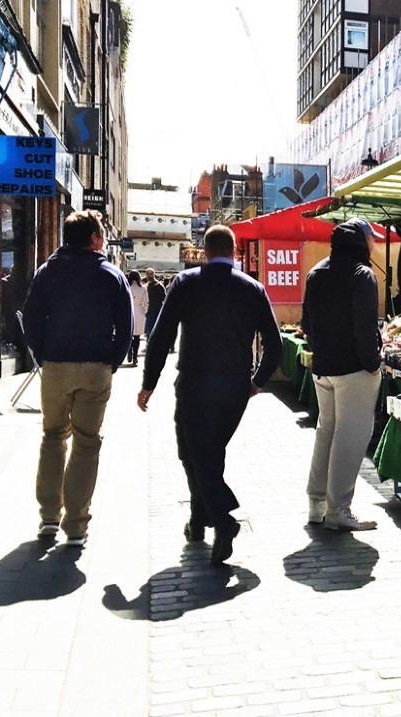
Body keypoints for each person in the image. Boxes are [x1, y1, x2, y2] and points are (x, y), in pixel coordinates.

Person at [138, 224, 281, 566]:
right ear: (233, 252)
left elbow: (160, 336)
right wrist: (257, 381)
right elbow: (274, 345)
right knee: (203, 453)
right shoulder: (254, 289)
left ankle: (223, 520)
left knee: (198, 455)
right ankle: (199, 522)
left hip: (195, 383)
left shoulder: (187, 283)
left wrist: (149, 381)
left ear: (204, 251)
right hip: (235, 387)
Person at [22, 210, 132, 547]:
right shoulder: (110, 275)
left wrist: (43, 355)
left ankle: (48, 519)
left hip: (55, 364)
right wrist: (111, 362)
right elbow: (126, 326)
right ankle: (75, 526)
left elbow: (30, 317)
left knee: (53, 436)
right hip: (95, 366)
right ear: (96, 239)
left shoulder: (47, 272)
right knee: (86, 442)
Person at [301, 218, 383, 531]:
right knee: (350, 436)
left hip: (323, 368)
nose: (374, 243)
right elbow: (365, 328)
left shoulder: (316, 272)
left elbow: (306, 324)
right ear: (362, 242)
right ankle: (339, 510)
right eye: (371, 238)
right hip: (353, 369)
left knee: (327, 431)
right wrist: (373, 364)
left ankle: (317, 504)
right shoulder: (362, 274)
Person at [126, 270, 149, 367]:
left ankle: (129, 351)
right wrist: (144, 311)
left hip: (128, 312)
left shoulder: (127, 286)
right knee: (137, 337)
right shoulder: (143, 288)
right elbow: (146, 302)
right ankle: (135, 356)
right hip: (139, 313)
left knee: (129, 335)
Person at [144, 267, 166, 339]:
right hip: (148, 312)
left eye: (151, 274)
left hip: (157, 311)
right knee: (148, 331)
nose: (149, 276)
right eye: (148, 274)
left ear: (154, 274)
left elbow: (164, 298)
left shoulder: (159, 286)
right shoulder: (145, 287)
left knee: (155, 331)